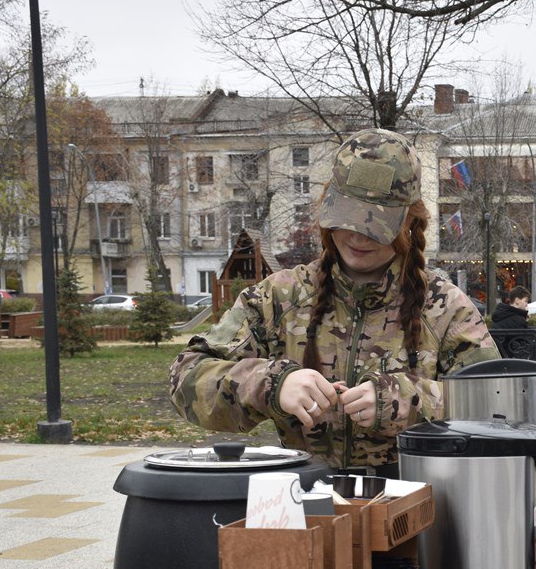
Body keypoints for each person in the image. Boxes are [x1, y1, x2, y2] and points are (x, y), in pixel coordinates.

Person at [169, 128, 499, 477]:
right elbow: (186, 378)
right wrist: (271, 384)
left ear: (410, 222)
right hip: (306, 507)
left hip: (419, 508)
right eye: (347, 219)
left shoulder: (445, 308)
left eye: (375, 224)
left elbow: (497, 407)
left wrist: (408, 400)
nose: (357, 236)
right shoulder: (280, 298)